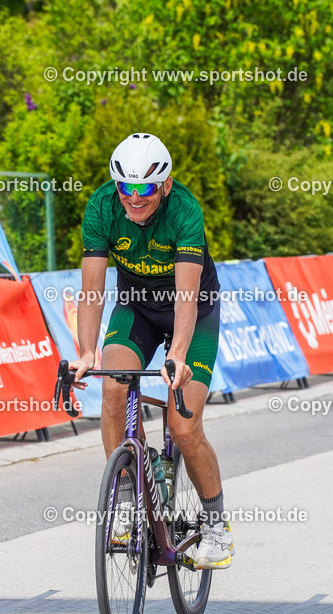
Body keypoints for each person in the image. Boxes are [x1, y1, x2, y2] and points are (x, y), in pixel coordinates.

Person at [69, 133, 233, 569]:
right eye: (125, 187)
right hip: (136, 308)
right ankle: (125, 500)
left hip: (193, 313)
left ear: (165, 184)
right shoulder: (103, 207)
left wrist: (177, 354)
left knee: (183, 427)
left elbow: (187, 297)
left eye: (144, 188)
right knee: (112, 392)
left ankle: (216, 525)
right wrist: (87, 351)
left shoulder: (184, 210)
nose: (133, 198)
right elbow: (91, 289)